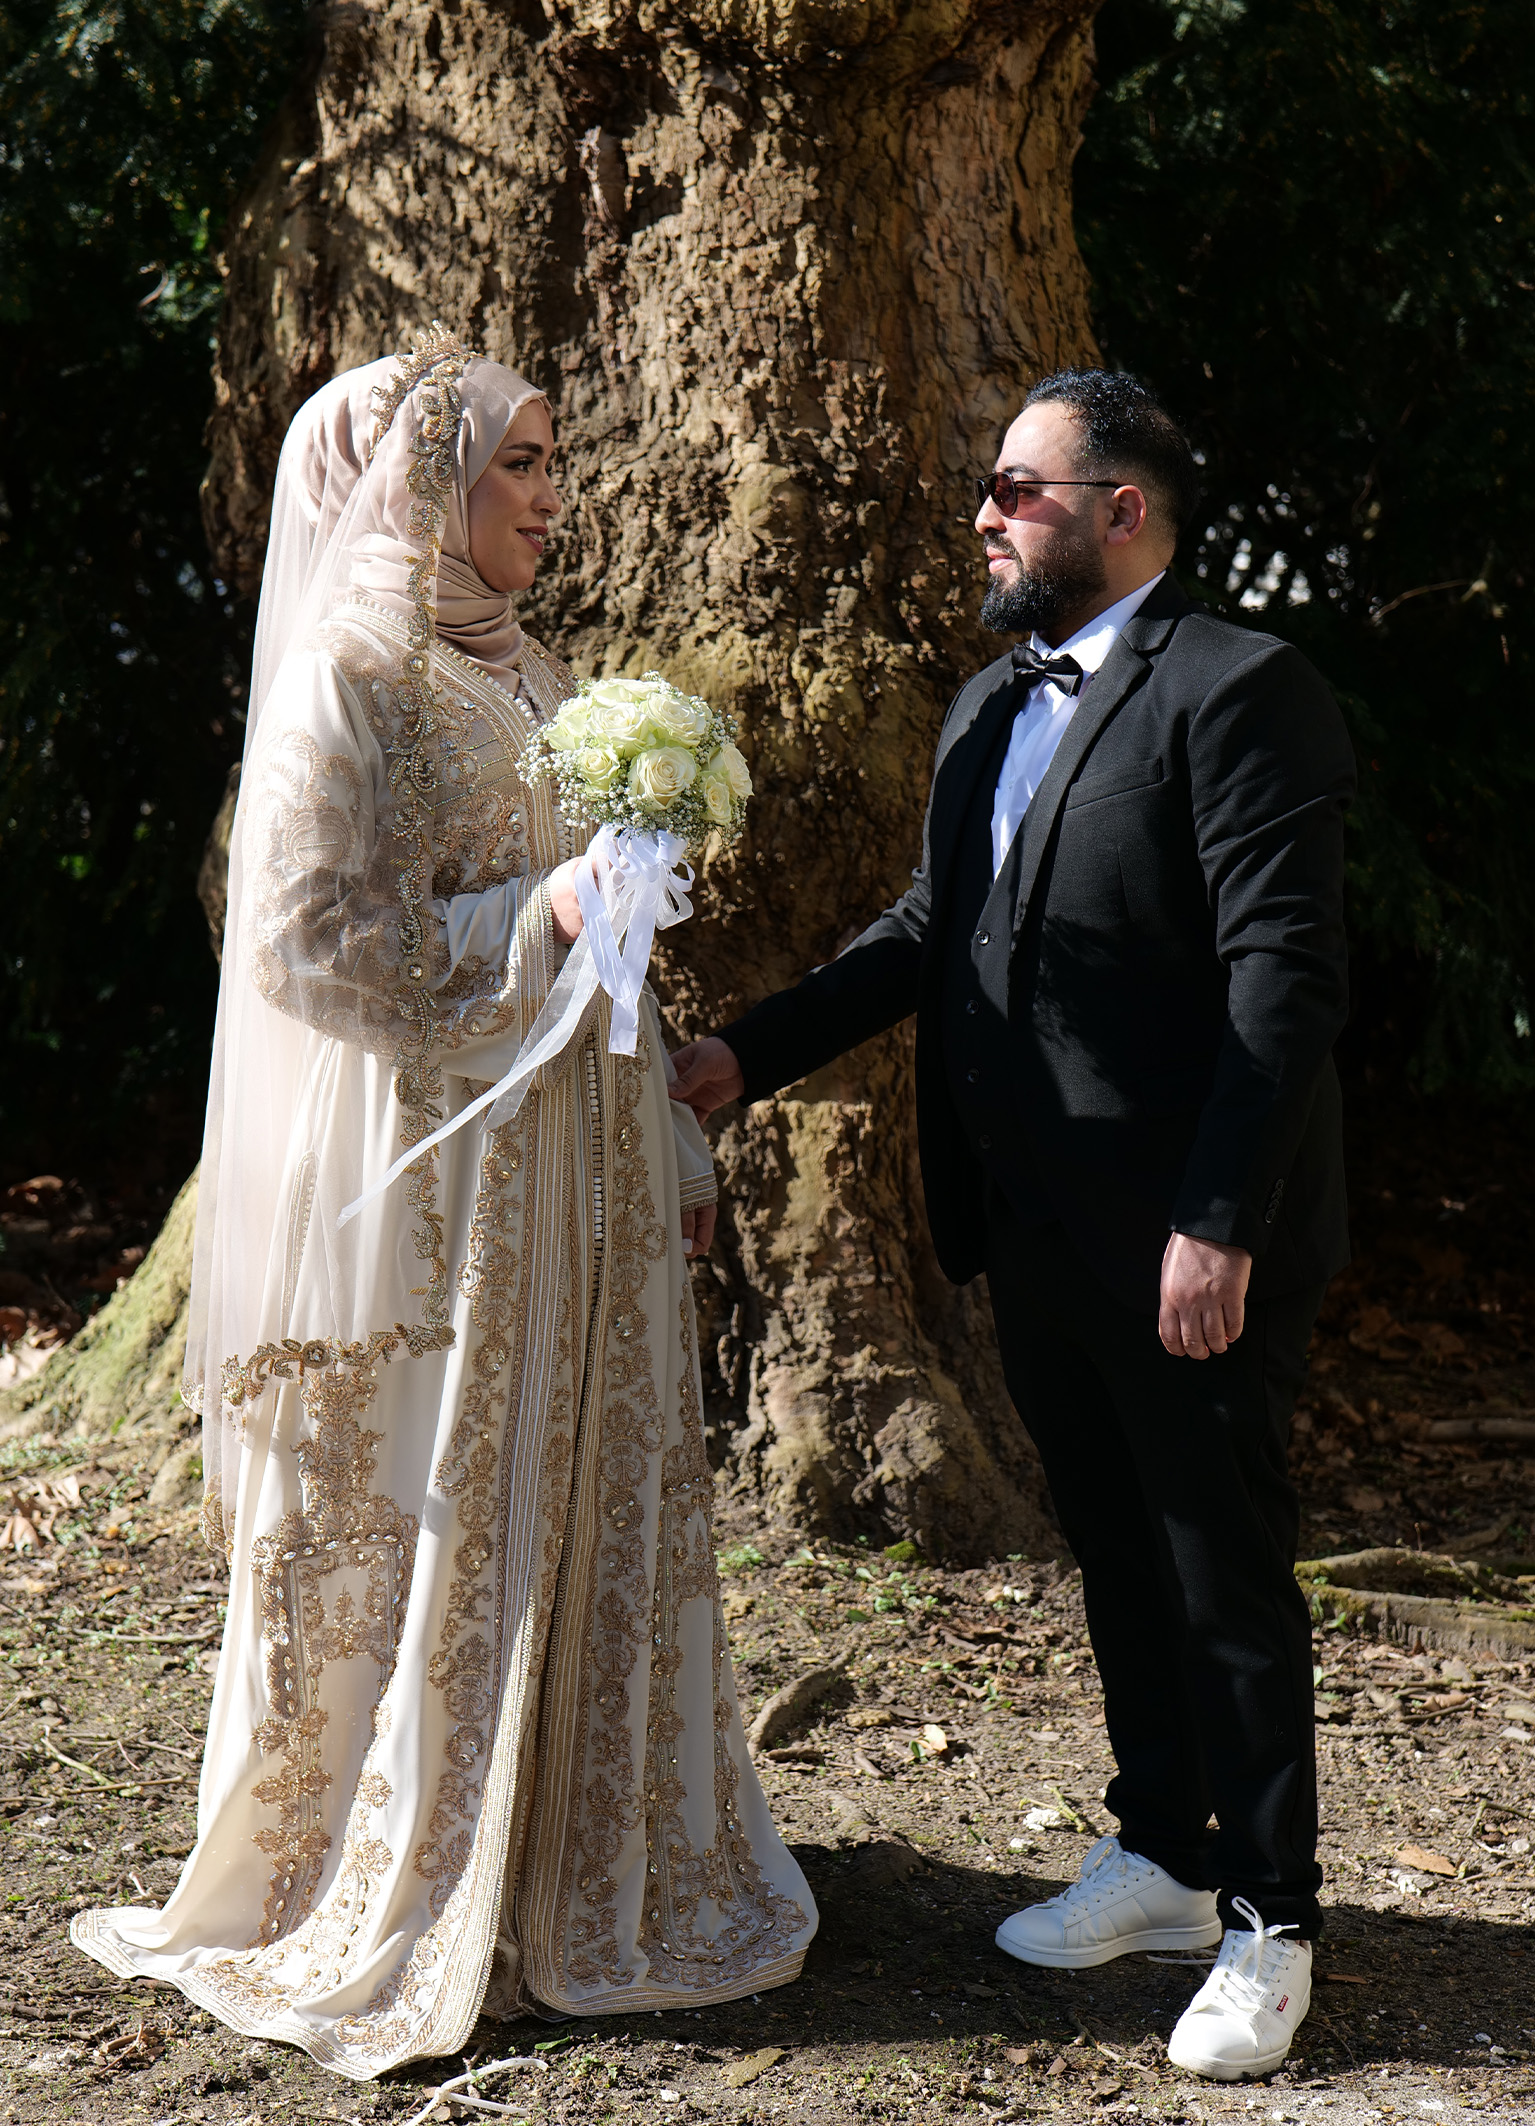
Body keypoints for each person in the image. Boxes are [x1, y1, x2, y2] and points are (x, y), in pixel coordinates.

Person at [71, 325, 815, 2079]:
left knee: (578, 1473)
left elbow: (592, 934)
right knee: (439, 1494)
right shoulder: (347, 673)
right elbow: (300, 940)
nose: (550, 497)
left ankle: (577, 1843)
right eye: (519, 464)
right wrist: (528, 918)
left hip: (581, 1157)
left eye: (553, 463)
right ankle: (402, 1850)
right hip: (442, 1181)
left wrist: (666, 1120)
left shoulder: (533, 665)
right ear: (425, 481)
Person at [669, 370, 1355, 2083]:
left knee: (1219, 1568)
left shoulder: (1241, 687)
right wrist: (743, 1054)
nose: (984, 514)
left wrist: (1219, 1221)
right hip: (1032, 1226)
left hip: (1192, 1237)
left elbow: (1282, 982)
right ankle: (1165, 1852)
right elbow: (931, 928)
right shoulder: (988, 703)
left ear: (1123, 509)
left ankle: (1274, 1919)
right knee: (1114, 1547)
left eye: (1015, 489)